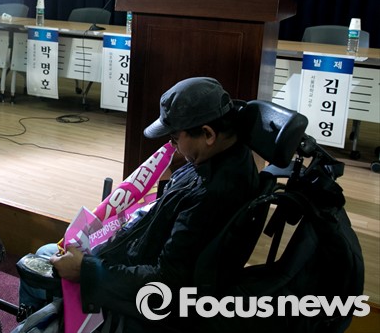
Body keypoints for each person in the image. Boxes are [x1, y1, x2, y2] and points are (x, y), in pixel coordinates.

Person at [20, 77, 261, 332]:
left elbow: (166, 280)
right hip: (130, 261)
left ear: (208, 134)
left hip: (132, 296)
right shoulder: (227, 158)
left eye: (175, 138)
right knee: (48, 252)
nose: (174, 146)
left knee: (38, 270)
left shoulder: (212, 194)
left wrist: (85, 270)